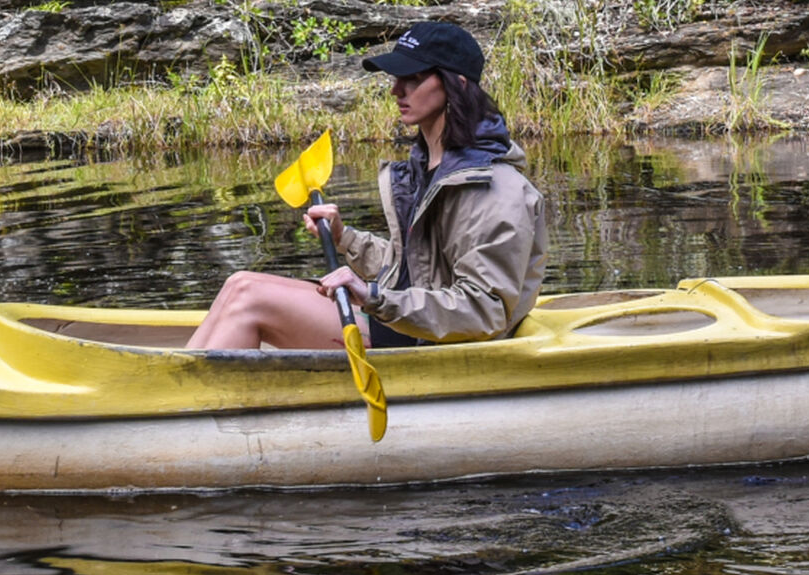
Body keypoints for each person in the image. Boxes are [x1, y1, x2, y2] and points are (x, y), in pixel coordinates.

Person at [186, 22, 548, 352]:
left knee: (250, 298)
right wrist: (346, 239)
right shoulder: (430, 167)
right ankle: (179, 390)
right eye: (396, 78)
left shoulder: (497, 188)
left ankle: (182, 408)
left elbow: (484, 311)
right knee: (239, 283)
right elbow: (414, 269)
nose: (396, 90)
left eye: (414, 78)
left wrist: (373, 297)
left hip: (436, 340)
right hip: (405, 319)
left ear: (458, 85)